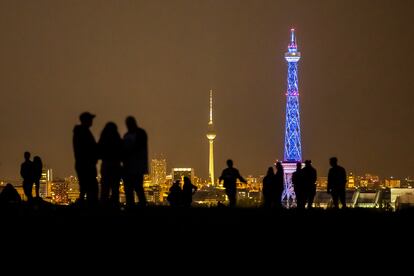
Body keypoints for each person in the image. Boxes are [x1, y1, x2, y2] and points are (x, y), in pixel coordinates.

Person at [73, 112, 99, 204]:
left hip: (83, 164)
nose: (92, 121)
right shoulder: (83, 132)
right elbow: (89, 148)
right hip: (86, 164)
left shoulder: (81, 132)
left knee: (85, 187)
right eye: (90, 119)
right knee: (90, 187)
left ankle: (85, 206)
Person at [122, 116, 148, 207]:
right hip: (133, 167)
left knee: (135, 189)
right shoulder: (140, 133)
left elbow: (136, 148)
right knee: (135, 189)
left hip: (135, 167)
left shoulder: (131, 135)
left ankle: (134, 208)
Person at [98, 122, 122, 206]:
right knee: (115, 190)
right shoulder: (117, 138)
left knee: (105, 189)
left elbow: (98, 152)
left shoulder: (103, 138)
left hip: (106, 166)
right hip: (116, 166)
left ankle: (103, 208)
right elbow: (122, 152)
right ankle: (115, 206)